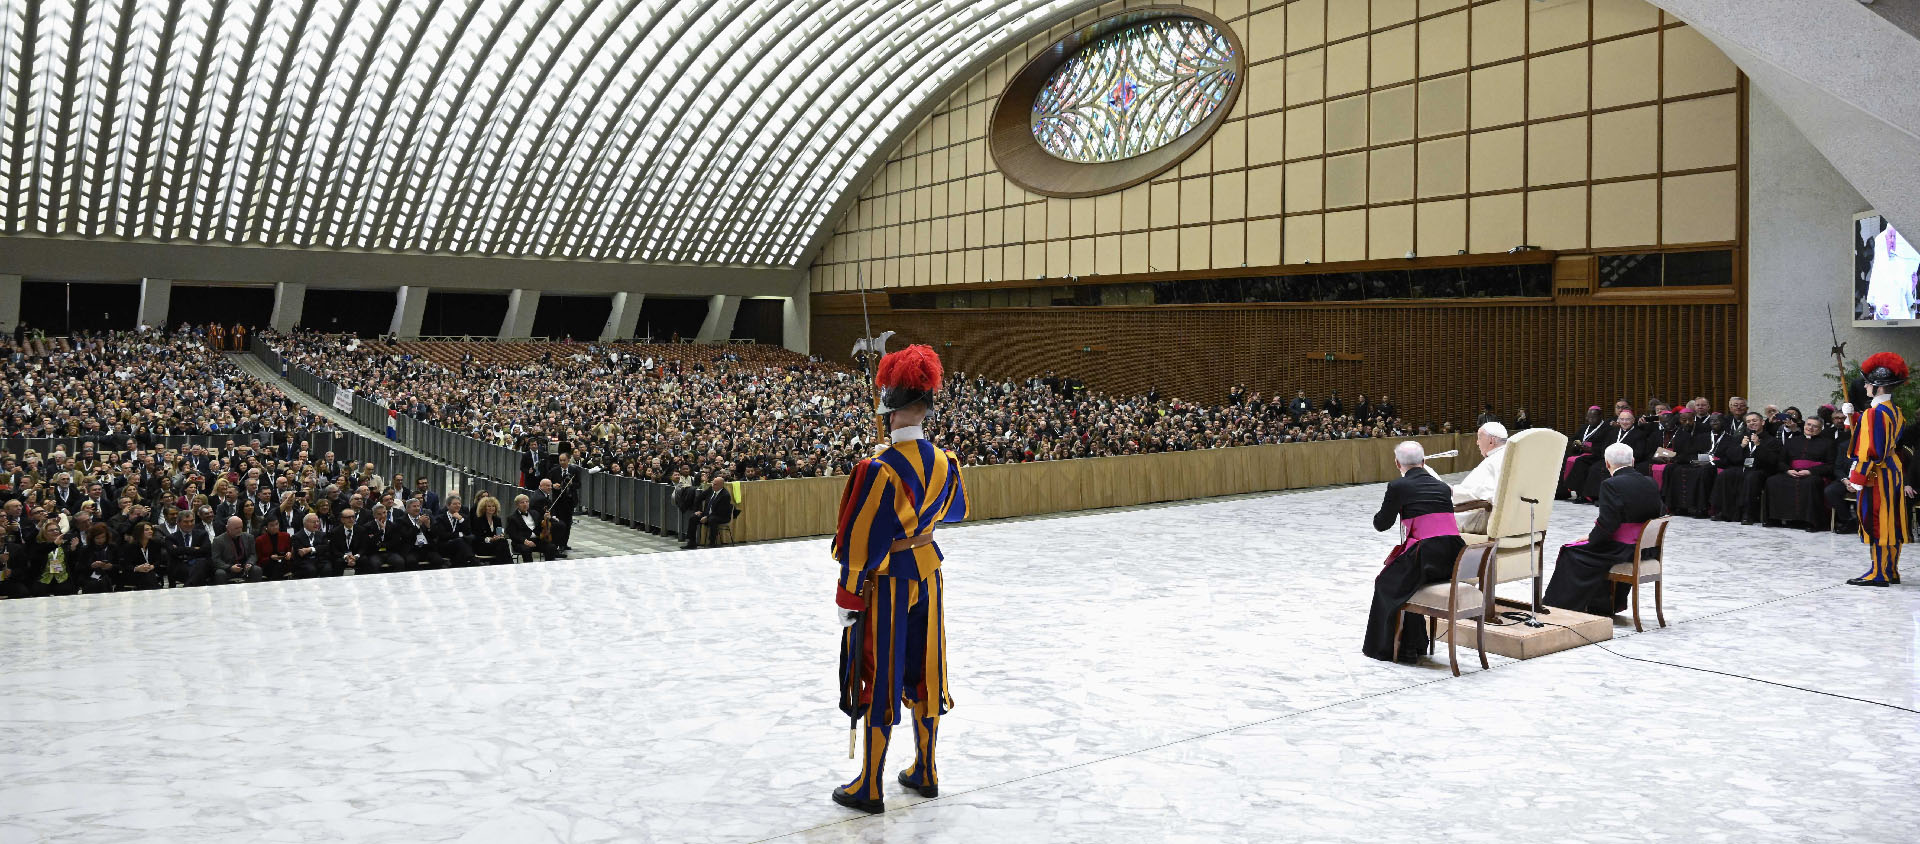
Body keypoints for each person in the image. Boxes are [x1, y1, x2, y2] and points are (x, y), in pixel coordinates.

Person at [831, 345, 969, 815]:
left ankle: (870, 784)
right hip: (929, 574)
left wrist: (847, 594)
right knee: (926, 670)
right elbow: (956, 511)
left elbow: (859, 540)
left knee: (881, 674)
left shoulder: (878, 468)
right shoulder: (946, 461)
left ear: (890, 413)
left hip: (888, 580)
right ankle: (925, 769)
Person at [1362, 441, 1465, 664]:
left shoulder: (1399, 486)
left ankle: (1393, 649)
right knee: (1407, 583)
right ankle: (1416, 643)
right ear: (1424, 462)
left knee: (1385, 584)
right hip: (1454, 557)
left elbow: (1382, 524)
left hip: (1426, 556)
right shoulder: (1443, 487)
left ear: (1397, 463)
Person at [1543, 443, 1665, 615]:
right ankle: (1601, 606)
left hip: (1624, 550)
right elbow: (1660, 511)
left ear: (1607, 463)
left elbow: (1608, 524)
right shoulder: (1650, 482)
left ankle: (1559, 608)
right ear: (1633, 461)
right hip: (1647, 549)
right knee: (1587, 552)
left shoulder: (1611, 484)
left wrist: (1591, 539)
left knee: (1571, 554)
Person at [1844, 352, 1911, 586]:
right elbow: (1870, 433)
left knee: (1877, 520)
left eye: (1868, 383)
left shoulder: (1875, 413)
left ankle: (1879, 573)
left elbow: (1871, 449)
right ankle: (1890, 570)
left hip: (1877, 474)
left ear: (1878, 387)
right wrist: (1852, 417)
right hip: (1892, 472)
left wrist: (1857, 477)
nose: (1864, 386)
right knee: (1890, 520)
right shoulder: (1893, 410)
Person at [1764, 417, 1836, 531]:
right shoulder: (1792, 441)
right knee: (1773, 481)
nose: (1810, 428)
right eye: (1808, 424)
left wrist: (1810, 471)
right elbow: (1781, 461)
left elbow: (1831, 465)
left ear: (1821, 429)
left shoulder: (1828, 443)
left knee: (1810, 483)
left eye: (1815, 426)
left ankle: (1810, 522)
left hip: (1814, 474)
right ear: (1804, 425)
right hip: (1792, 472)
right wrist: (1788, 470)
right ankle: (1775, 518)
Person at [1451, 422, 1508, 533]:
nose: (1477, 442)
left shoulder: (1493, 461)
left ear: (1491, 440)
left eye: (1479, 438)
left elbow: (1481, 495)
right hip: (1510, 523)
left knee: (1431, 520)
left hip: (1482, 519)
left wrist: (1452, 491)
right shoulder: (1510, 456)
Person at [1558, 406, 1609, 501]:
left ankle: (1583, 494)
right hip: (1581, 453)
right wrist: (1575, 444)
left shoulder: (1606, 428)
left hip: (1596, 454)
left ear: (1600, 416)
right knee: (1563, 459)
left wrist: (1591, 449)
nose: (1590, 420)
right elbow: (1573, 439)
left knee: (1580, 462)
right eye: (1588, 417)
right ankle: (1562, 492)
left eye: (1593, 417)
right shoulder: (1584, 427)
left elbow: (1605, 445)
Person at [542, 452, 582, 550]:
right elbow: (546, 483)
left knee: (568, 523)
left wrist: (572, 484)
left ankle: (564, 543)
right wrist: (553, 486)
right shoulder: (554, 471)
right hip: (558, 501)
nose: (562, 462)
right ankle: (557, 543)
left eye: (564, 460)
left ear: (568, 460)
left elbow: (579, 485)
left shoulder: (574, 470)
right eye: (560, 460)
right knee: (559, 523)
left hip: (570, 500)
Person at [683, 476, 734, 550]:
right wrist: (698, 510)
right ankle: (691, 542)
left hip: (721, 516)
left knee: (712, 520)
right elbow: (698, 498)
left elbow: (720, 512)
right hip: (707, 513)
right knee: (693, 517)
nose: (713, 485)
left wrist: (707, 517)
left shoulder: (725, 495)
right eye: (713, 483)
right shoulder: (710, 489)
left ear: (721, 486)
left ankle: (712, 543)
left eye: (715, 484)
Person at [210, 516, 263, 584]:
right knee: (220, 573)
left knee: (256, 569)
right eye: (236, 528)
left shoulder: (249, 537)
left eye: (241, 527)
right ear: (228, 528)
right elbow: (216, 560)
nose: (239, 530)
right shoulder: (218, 540)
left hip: (245, 567)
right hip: (228, 569)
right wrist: (230, 567)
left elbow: (253, 554)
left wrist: (250, 563)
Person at [506, 494, 559, 562]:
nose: (525, 504)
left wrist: (546, 519)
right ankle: (529, 570)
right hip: (522, 542)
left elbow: (541, 526)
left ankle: (549, 568)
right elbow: (512, 534)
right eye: (522, 502)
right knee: (526, 549)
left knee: (551, 547)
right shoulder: (512, 518)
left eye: (527, 502)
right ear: (517, 505)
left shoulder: (535, 513)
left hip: (537, 540)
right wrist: (525, 541)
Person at [117, 522, 166, 590]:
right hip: (135, 573)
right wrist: (137, 568)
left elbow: (159, 560)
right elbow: (125, 564)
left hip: (151, 571)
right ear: (139, 532)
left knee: (149, 575)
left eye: (151, 529)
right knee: (147, 576)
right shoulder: (130, 546)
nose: (150, 531)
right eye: (147, 530)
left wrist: (152, 566)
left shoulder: (155, 544)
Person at [468, 495, 513, 565]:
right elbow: (476, 537)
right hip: (482, 546)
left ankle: (502, 564)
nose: (491, 508)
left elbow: (499, 533)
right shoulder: (478, 520)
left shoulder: (497, 519)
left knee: (502, 541)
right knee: (502, 544)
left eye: (493, 506)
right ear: (484, 508)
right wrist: (489, 539)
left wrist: (500, 536)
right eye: (489, 506)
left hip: (496, 545)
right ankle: (508, 565)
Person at [434, 494, 475, 567]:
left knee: (460, 548)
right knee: (460, 541)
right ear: (448, 505)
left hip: (459, 547)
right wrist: (458, 534)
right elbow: (443, 535)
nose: (458, 505)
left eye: (459, 504)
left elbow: (468, 532)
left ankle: (456, 566)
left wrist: (461, 520)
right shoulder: (440, 518)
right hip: (445, 545)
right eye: (455, 504)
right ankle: (472, 559)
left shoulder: (464, 517)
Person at [292, 513, 334, 578]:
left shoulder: (322, 535)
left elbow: (326, 547)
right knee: (311, 570)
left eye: (317, 521)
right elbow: (300, 553)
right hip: (305, 561)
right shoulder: (297, 537)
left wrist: (310, 549)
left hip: (320, 560)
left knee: (327, 568)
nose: (317, 524)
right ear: (305, 523)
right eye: (314, 522)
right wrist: (318, 548)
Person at [255, 515, 294, 580]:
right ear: (266, 527)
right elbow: (259, 559)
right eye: (272, 525)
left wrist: (289, 554)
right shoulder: (260, 540)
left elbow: (289, 551)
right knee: (275, 567)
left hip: (283, 562)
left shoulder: (286, 536)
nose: (275, 527)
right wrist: (270, 558)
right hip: (268, 564)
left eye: (276, 524)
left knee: (281, 566)